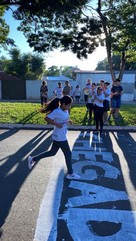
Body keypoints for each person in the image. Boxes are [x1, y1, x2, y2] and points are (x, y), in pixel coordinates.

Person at [28, 95, 80, 180]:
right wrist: (56, 124)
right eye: (68, 105)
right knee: (68, 153)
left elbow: (62, 119)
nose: (69, 107)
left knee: (52, 152)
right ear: (63, 104)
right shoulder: (57, 111)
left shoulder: (65, 110)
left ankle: (33, 159)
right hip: (60, 137)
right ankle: (70, 173)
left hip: (59, 135)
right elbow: (47, 118)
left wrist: (68, 121)